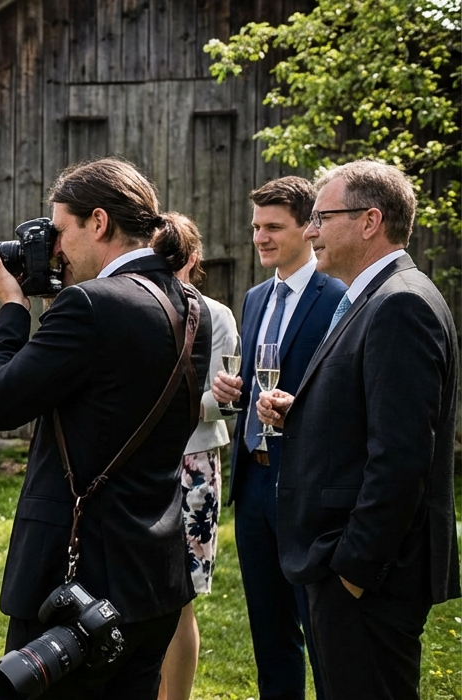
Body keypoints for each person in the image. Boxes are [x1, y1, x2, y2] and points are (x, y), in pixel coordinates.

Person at [0, 158, 212, 699]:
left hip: (76, 585)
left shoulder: (90, 305)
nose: (53, 247)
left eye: (59, 230)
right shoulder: (191, 307)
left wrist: (13, 309)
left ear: (98, 222)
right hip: (153, 575)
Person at [257, 160, 460, 700]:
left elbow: (401, 457)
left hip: (367, 577)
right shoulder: (373, 295)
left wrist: (353, 570)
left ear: (370, 221)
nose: (312, 230)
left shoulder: (401, 304)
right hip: (350, 567)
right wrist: (300, 411)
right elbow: (370, 411)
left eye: (323, 216)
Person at [210, 176, 341, 700]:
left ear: (310, 228)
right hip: (255, 484)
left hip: (307, 486)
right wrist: (231, 390)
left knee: (323, 631)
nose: (260, 237)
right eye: (255, 227)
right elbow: (259, 385)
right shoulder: (256, 297)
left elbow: (339, 391)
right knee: (270, 632)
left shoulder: (339, 296)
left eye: (273, 227)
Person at [154, 214, 238, 700]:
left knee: (180, 597)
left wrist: (164, 404)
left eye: (171, 258)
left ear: (192, 260)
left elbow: (223, 401)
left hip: (193, 466)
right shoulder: (133, 310)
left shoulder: (217, 316)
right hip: (137, 464)